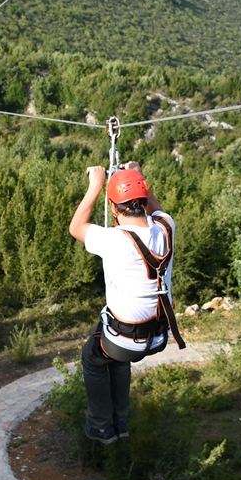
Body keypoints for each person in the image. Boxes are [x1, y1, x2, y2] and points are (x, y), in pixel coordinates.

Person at [68, 162, 184, 445]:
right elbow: (156, 210)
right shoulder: (167, 227)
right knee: (117, 361)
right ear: (144, 201)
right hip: (157, 337)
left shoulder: (114, 240)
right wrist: (138, 176)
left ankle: (101, 426)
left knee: (93, 358)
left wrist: (96, 185)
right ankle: (119, 422)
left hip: (124, 340)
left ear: (115, 208)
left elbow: (76, 227)